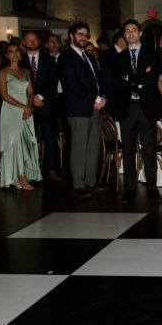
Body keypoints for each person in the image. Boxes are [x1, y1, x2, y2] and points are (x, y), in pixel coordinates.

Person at [110, 20, 162, 203]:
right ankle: (130, 189)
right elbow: (116, 83)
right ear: (123, 35)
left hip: (146, 107)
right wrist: (140, 77)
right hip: (127, 109)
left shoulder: (152, 54)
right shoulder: (120, 57)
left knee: (149, 150)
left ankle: (152, 188)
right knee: (128, 151)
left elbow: (152, 79)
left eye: (134, 30)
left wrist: (130, 79)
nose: (131, 33)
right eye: (127, 31)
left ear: (140, 33)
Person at [59, 22, 107, 196]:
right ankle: (78, 184)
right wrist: (95, 98)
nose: (84, 37)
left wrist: (103, 98)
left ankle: (90, 181)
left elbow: (98, 81)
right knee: (79, 147)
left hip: (95, 107)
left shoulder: (89, 57)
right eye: (80, 34)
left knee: (93, 146)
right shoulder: (66, 57)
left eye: (86, 35)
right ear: (71, 36)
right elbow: (72, 85)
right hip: (78, 108)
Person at [0, 43, 41, 190]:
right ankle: (20, 176)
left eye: (16, 51)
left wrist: (29, 107)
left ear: (20, 53)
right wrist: (23, 107)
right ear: (6, 55)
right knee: (15, 141)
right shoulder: (3, 72)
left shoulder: (26, 71)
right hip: (11, 109)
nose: (14, 54)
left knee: (27, 140)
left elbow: (30, 92)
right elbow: (4, 95)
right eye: (11, 52)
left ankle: (25, 173)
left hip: (26, 109)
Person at [22, 31, 62, 181]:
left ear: (38, 41)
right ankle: (31, 169)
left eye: (34, 40)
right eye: (28, 40)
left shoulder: (49, 59)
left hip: (45, 104)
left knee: (49, 137)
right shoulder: (20, 60)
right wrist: (31, 98)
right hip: (27, 104)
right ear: (24, 43)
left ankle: (51, 169)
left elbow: (54, 81)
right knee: (28, 138)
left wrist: (40, 96)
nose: (32, 43)